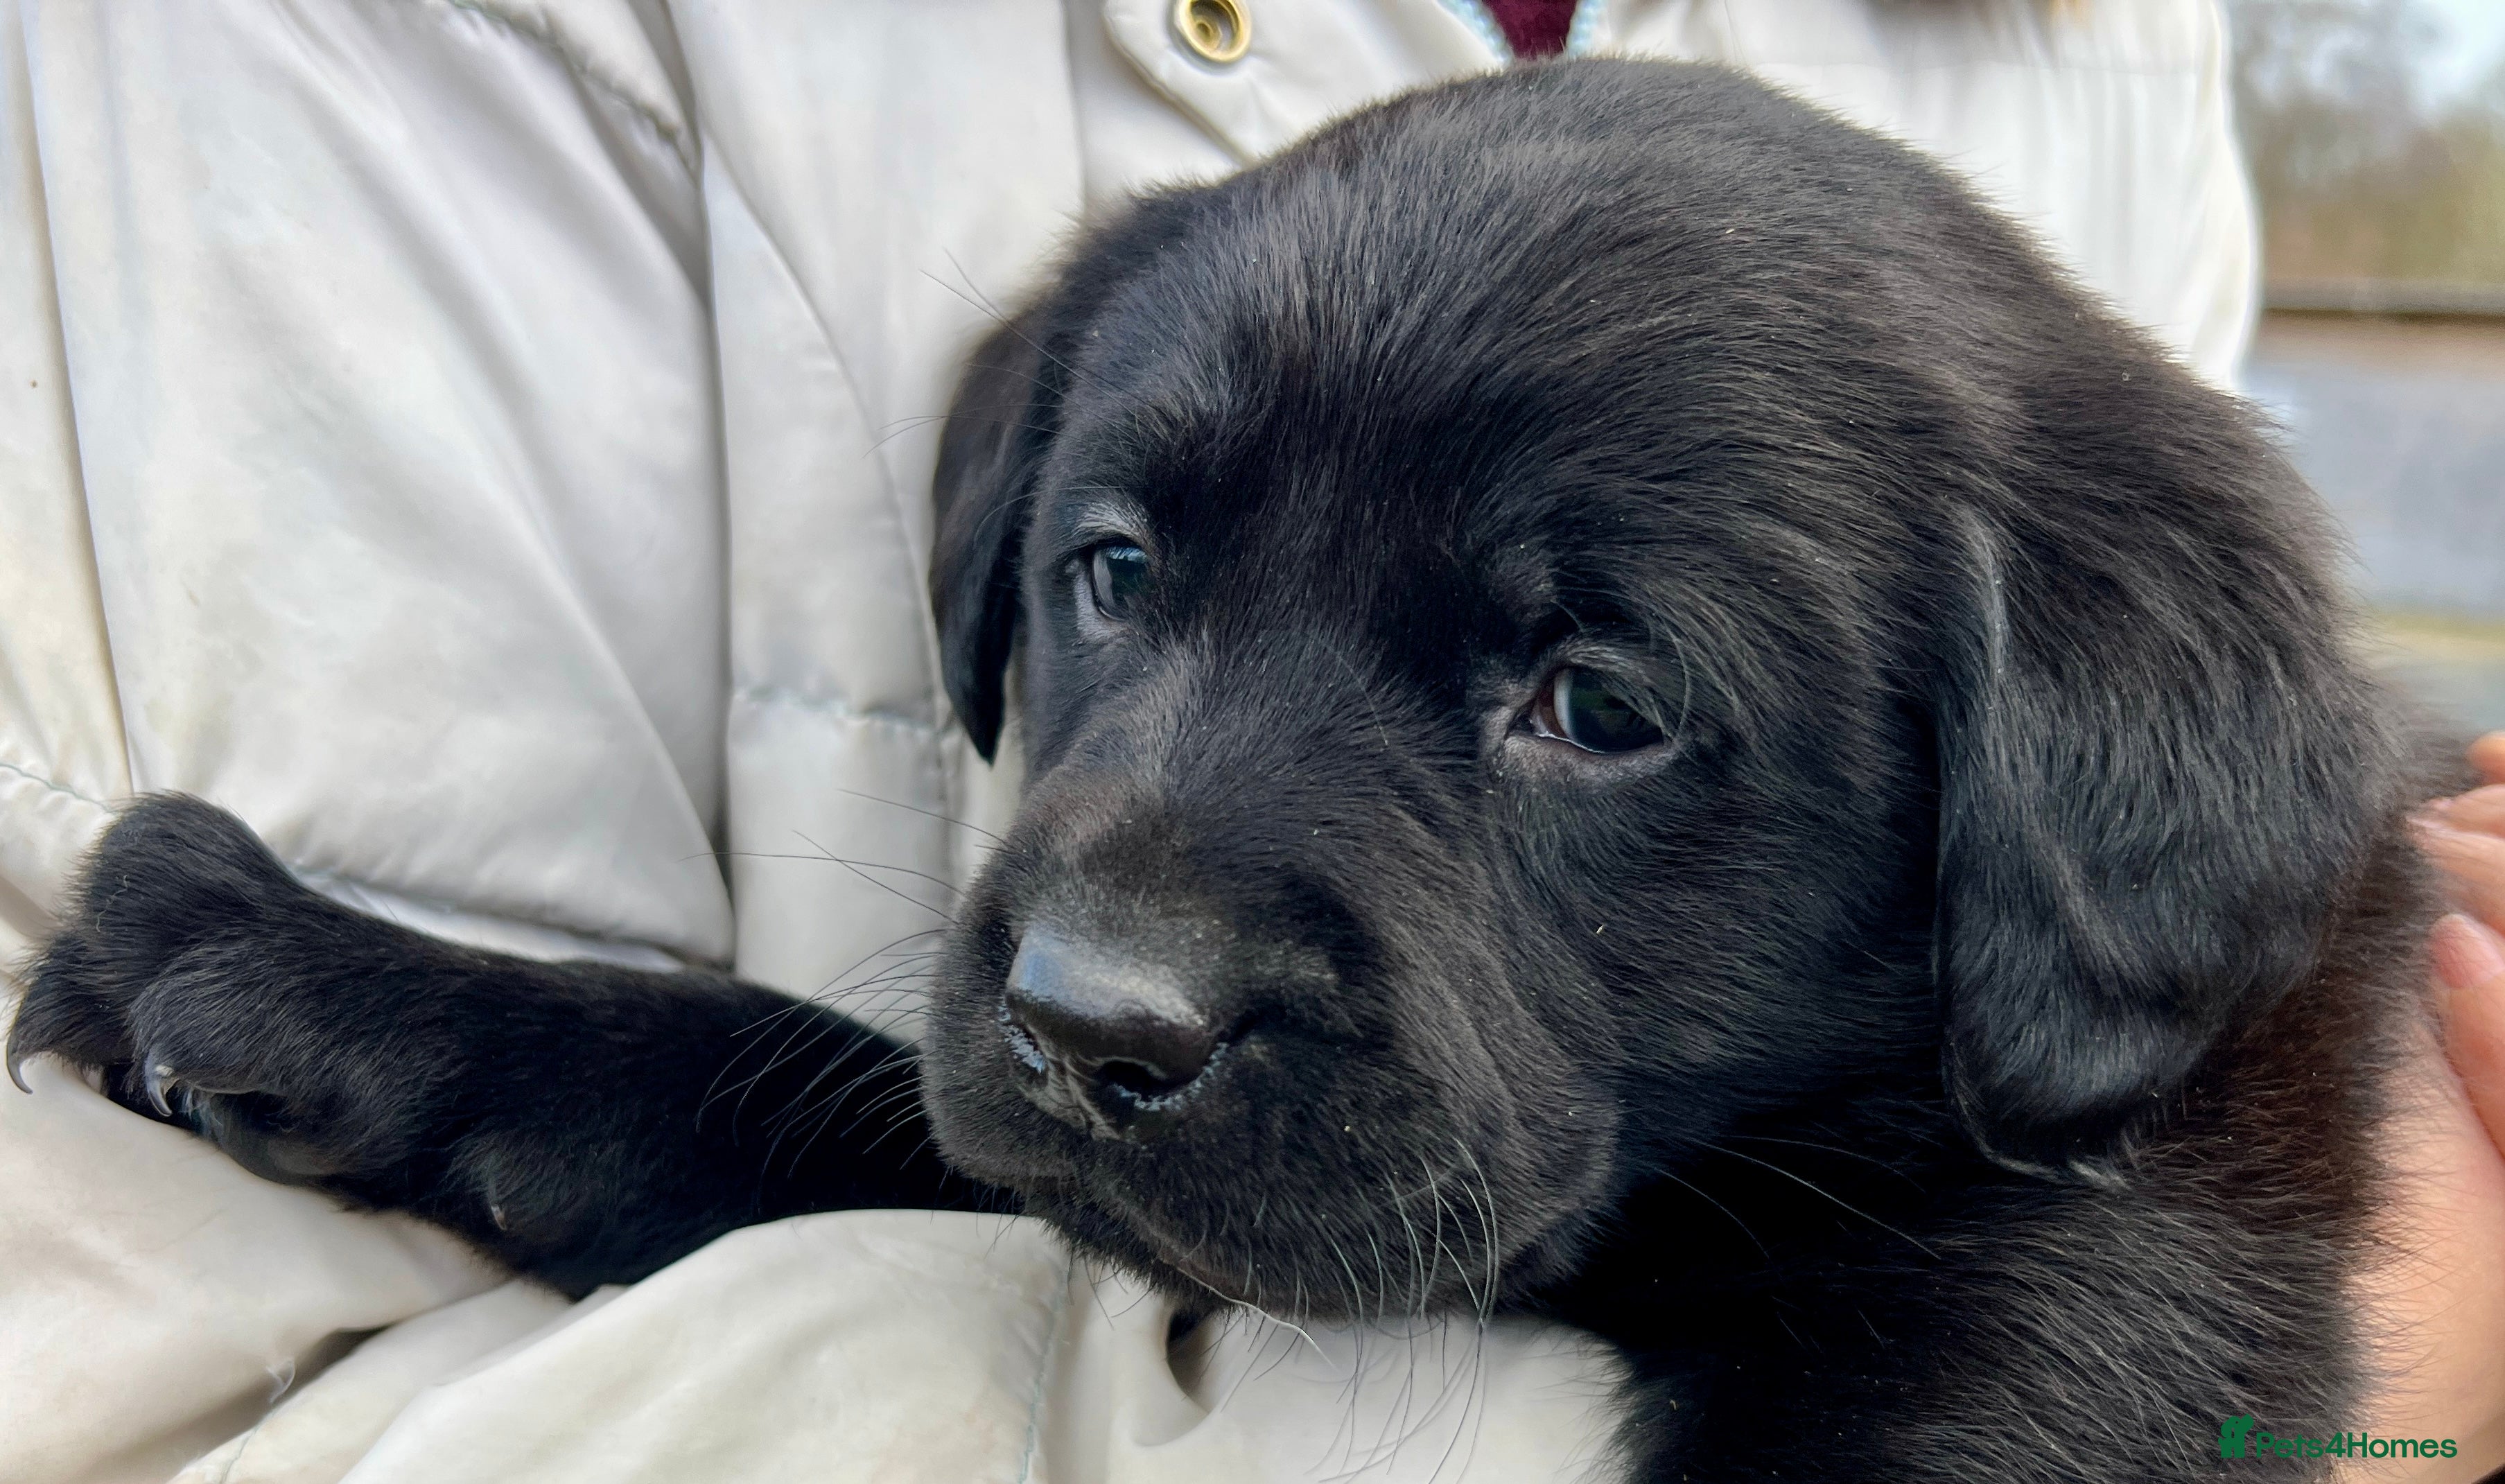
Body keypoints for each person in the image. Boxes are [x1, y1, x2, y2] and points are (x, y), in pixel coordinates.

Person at [1, 1, 2497, 1478]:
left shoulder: (2095, 1193)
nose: (1107, 950)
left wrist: (2324, 1409)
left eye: (1591, 699)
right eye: (1120, 575)